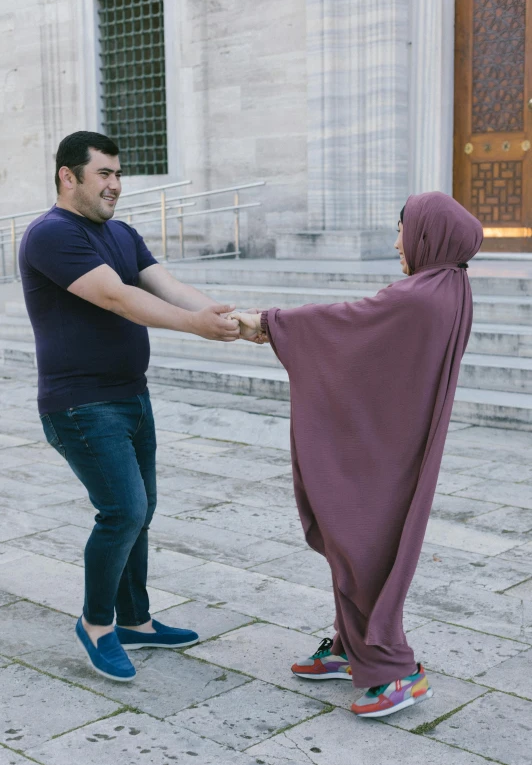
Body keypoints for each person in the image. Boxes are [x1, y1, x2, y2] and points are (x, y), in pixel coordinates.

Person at [234, 192, 483, 718]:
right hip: (390, 436)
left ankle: (396, 670)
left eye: (402, 230)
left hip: (386, 447)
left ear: (427, 235)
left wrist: (269, 321)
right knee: (357, 535)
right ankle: (351, 647)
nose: (396, 243)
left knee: (365, 539)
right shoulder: (448, 285)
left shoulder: (420, 295)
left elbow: (350, 321)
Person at [19, 131, 245, 682]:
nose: (117, 185)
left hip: (130, 397)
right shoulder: (49, 236)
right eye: (104, 174)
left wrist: (227, 318)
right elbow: (119, 296)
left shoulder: (122, 234)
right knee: (122, 510)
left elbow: (164, 285)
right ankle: (97, 624)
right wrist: (196, 327)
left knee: (140, 513)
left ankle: (136, 622)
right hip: (80, 404)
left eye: (119, 174)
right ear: (67, 176)